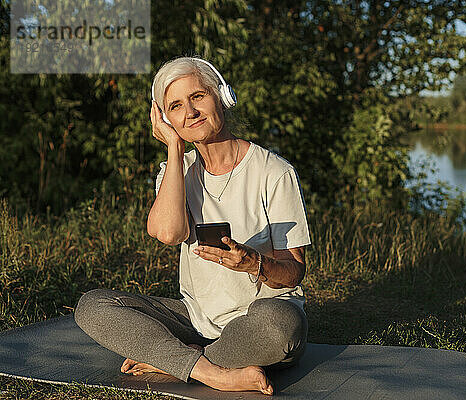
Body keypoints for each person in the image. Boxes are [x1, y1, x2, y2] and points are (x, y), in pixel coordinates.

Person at [73, 56, 312, 395]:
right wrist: (174, 147)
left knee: (280, 328)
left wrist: (253, 263)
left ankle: (176, 363)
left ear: (221, 97)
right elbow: (169, 233)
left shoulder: (275, 173)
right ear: (165, 118)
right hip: (196, 320)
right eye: (176, 106)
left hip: (259, 319)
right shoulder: (176, 170)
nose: (190, 112)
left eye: (198, 96)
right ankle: (214, 372)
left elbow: (294, 272)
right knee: (93, 307)